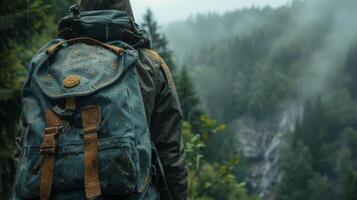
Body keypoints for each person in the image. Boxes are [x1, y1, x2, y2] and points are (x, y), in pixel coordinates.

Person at [12, 0, 187, 199]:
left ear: (82, 9)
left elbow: (23, 148)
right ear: (127, 12)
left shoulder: (47, 60)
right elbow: (170, 155)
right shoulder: (149, 64)